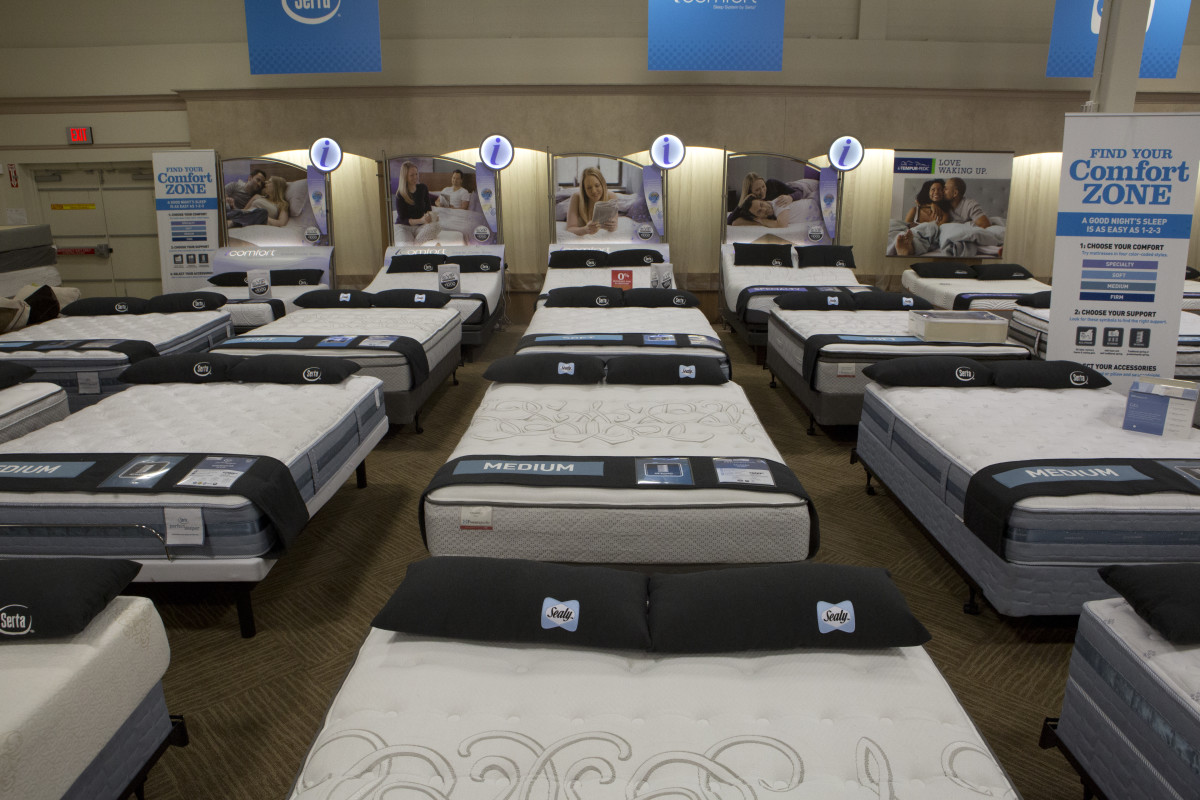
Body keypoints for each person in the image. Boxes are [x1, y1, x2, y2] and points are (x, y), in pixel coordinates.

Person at [565, 166, 618, 236]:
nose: (594, 191)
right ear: (584, 189)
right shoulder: (576, 198)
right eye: (589, 188)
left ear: (602, 184)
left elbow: (615, 222)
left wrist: (613, 226)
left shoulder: (612, 197)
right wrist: (585, 230)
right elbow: (570, 228)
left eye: (597, 185)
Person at [395, 161, 434, 226]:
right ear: (405, 177)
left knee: (436, 226)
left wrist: (431, 217)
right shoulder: (400, 194)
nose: (415, 177)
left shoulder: (423, 188)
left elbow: (428, 210)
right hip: (404, 226)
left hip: (420, 225)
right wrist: (420, 220)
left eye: (416, 174)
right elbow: (402, 219)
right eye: (412, 175)